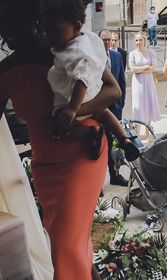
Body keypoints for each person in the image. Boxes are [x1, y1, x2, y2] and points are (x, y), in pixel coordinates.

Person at [0, 0, 124, 280]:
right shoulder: (5, 69)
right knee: (67, 241)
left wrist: (72, 111)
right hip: (45, 162)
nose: (11, 32)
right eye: (5, 27)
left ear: (32, 21)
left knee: (66, 243)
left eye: (16, 23)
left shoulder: (63, 50)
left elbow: (112, 92)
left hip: (82, 153)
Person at [43, 0, 138, 162]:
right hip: (93, 92)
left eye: (56, 31)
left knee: (58, 125)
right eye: (47, 30)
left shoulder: (78, 51)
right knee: (104, 112)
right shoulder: (87, 39)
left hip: (76, 94)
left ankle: (90, 133)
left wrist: (73, 109)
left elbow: (83, 80)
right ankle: (124, 138)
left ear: (77, 27)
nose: (50, 35)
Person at [99, 29, 128, 186]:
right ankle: (98, 183)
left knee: (114, 145)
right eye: (104, 40)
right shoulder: (94, 57)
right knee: (99, 145)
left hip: (115, 108)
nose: (108, 43)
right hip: (97, 109)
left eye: (110, 40)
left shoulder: (117, 56)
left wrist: (121, 102)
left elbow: (121, 81)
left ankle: (115, 175)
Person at [129, 32, 160, 135]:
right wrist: (145, 67)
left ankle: (148, 131)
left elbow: (153, 67)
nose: (138, 42)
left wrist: (140, 69)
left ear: (145, 41)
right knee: (138, 105)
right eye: (137, 40)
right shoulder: (132, 54)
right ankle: (137, 131)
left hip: (148, 81)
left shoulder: (151, 53)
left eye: (140, 40)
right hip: (137, 82)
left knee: (148, 103)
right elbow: (132, 69)